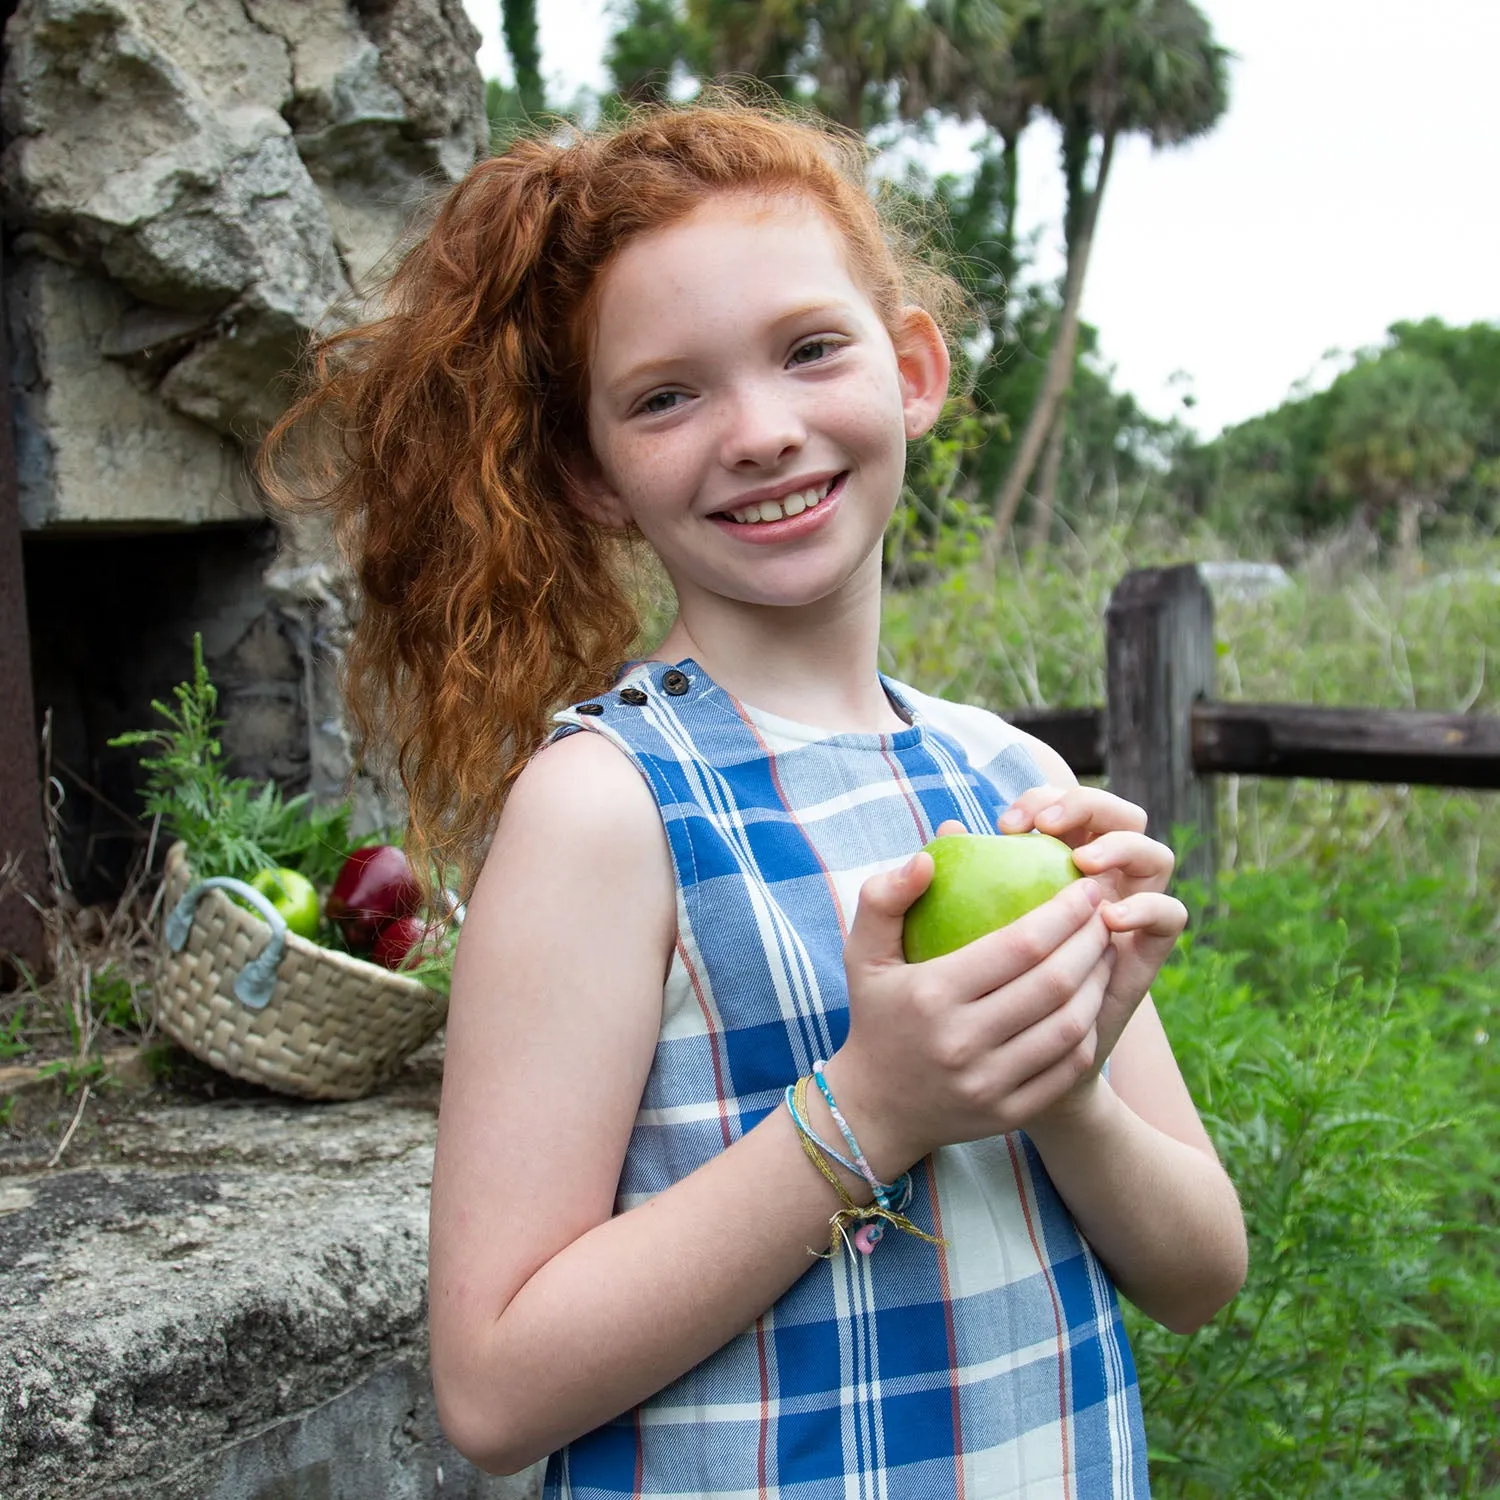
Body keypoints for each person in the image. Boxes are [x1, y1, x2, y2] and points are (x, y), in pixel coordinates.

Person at [263, 100, 1247, 1498]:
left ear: (911, 369)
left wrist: (1063, 1075)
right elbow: (491, 1389)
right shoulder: (607, 808)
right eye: (668, 395)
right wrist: (880, 1105)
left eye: (809, 350)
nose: (761, 431)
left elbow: (1201, 1273)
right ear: (591, 474)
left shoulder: (1011, 783)